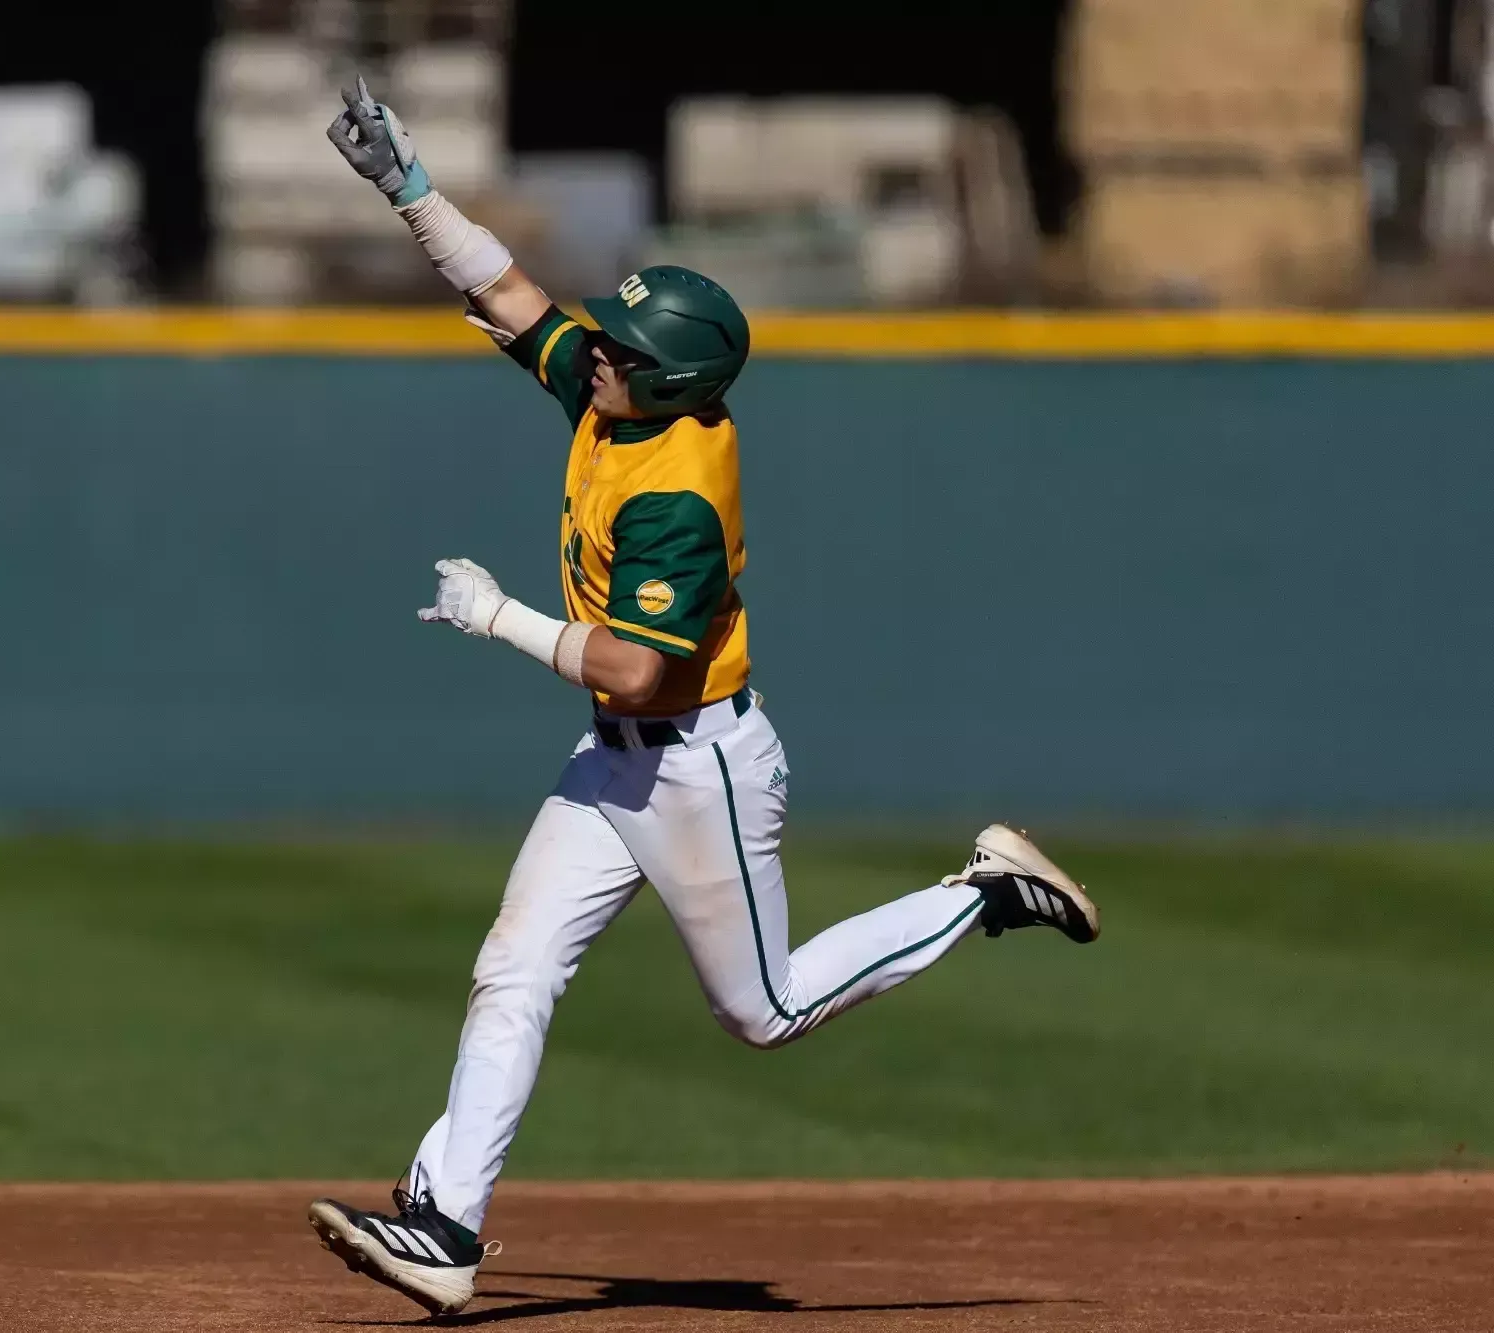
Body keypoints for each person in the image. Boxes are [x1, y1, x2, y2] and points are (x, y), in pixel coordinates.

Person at [306, 79, 1101, 1318]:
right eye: (607, 339)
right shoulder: (617, 395)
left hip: (695, 766)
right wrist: (409, 189)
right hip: (612, 761)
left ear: (671, 383)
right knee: (512, 965)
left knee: (764, 1011)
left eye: (622, 350)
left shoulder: (675, 488)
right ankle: (443, 1224)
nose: (596, 352)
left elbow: (639, 668)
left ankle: (984, 891)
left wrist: (497, 616)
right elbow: (510, 296)